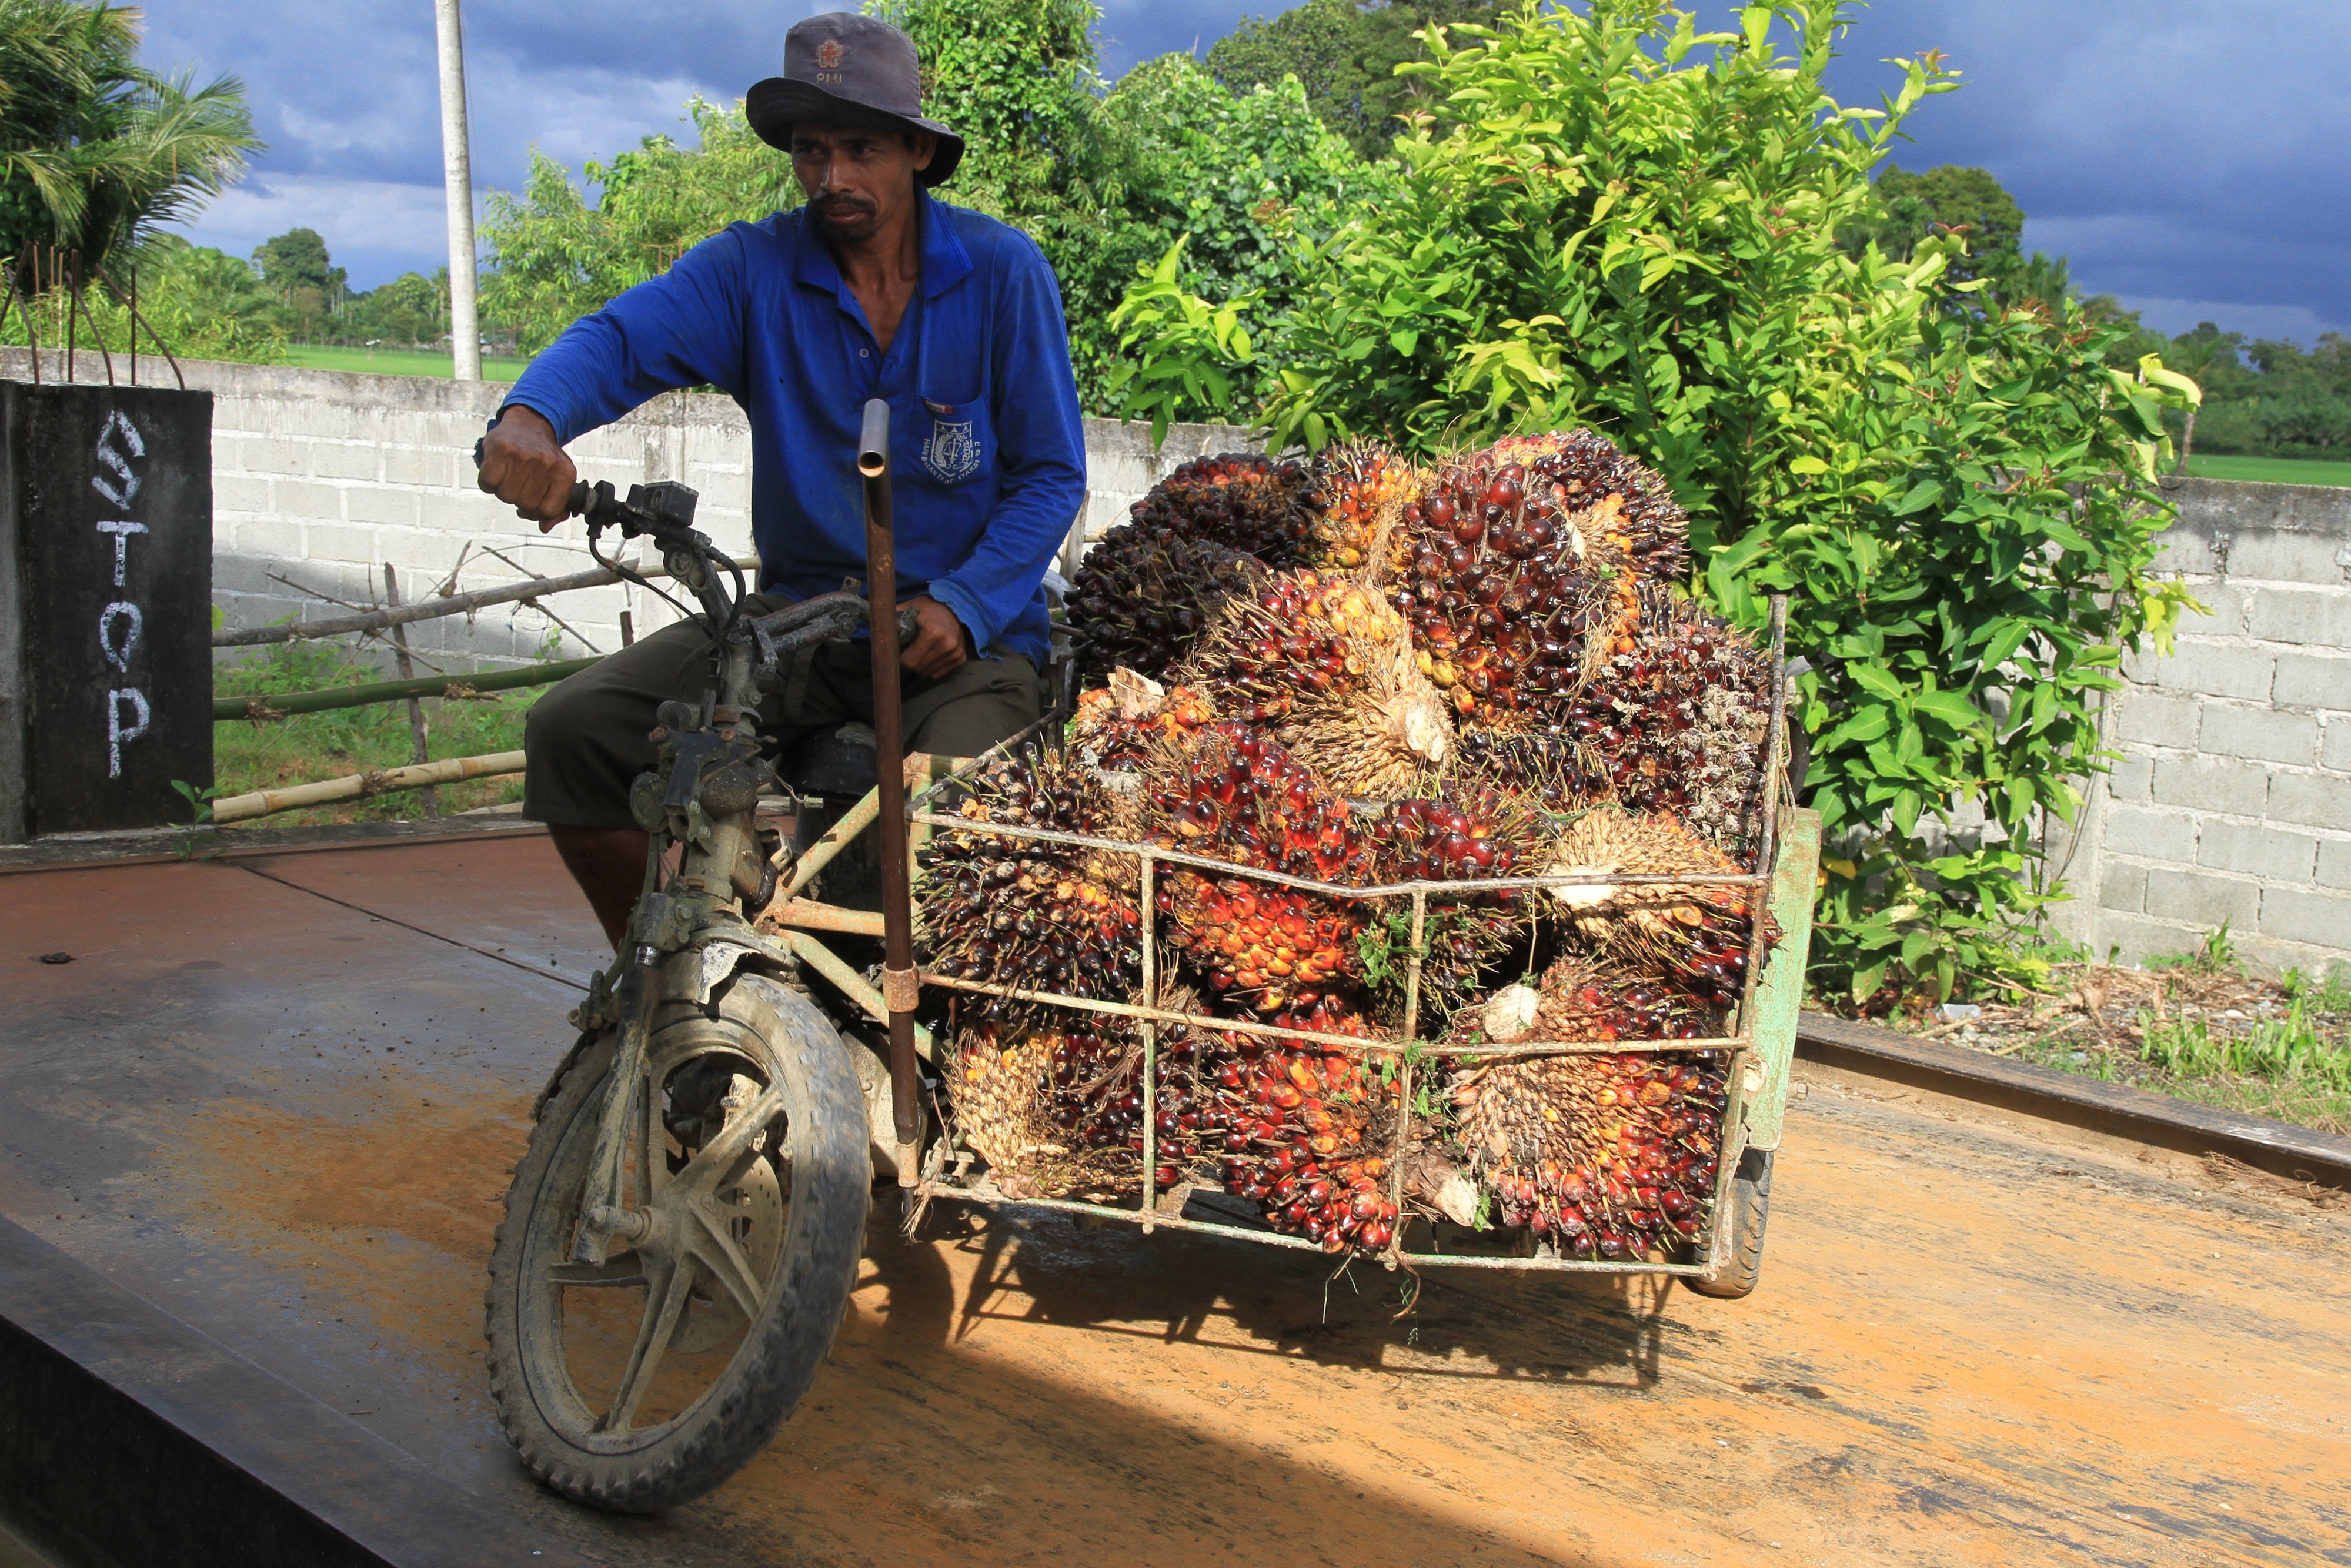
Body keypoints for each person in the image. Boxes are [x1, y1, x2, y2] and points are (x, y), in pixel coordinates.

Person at [477, 12, 1087, 947]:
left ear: (917, 151)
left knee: (966, 824)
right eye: (811, 151)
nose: (832, 177)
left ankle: (938, 1049)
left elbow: (1050, 475)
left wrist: (964, 603)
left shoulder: (1003, 273)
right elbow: (619, 338)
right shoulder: (753, 268)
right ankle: (662, 985)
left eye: (860, 149)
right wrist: (530, 418)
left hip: (963, 642)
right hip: (799, 626)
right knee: (574, 730)